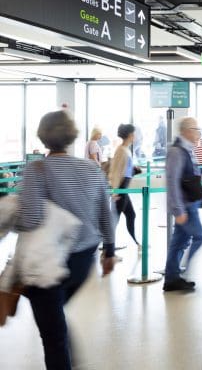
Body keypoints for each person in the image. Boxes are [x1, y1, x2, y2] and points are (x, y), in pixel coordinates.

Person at [17, 110, 116, 369]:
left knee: (53, 336)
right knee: (54, 315)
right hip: (83, 261)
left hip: (49, 262)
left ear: (42, 137)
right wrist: (110, 251)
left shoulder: (36, 169)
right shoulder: (91, 168)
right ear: (71, 136)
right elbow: (105, 213)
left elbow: (30, 220)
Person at [163, 117, 202, 292]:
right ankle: (185, 272)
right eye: (196, 129)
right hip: (185, 206)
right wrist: (178, 210)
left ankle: (172, 278)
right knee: (199, 236)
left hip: (190, 203)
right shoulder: (176, 151)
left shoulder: (187, 149)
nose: (198, 133)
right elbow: (172, 181)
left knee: (179, 242)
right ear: (187, 131)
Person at [108, 124, 140, 250]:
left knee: (131, 215)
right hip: (120, 189)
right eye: (134, 134)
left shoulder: (126, 150)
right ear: (130, 135)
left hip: (123, 189)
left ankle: (137, 243)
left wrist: (134, 170)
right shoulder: (121, 150)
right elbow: (115, 172)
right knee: (114, 220)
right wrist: (115, 192)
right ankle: (107, 250)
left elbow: (125, 171)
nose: (135, 136)